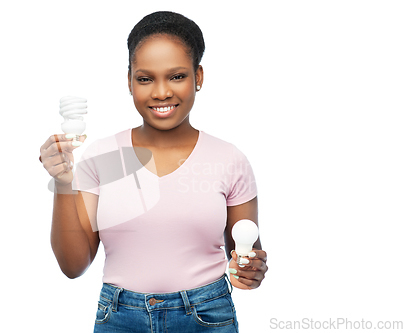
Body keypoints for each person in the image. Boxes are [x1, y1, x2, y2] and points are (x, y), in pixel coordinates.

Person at [40, 11, 268, 332]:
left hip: (206, 316)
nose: (161, 92)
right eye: (145, 79)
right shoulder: (104, 158)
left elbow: (245, 255)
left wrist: (252, 269)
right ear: (129, 80)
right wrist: (63, 182)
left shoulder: (229, 160)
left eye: (176, 76)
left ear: (198, 76)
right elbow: (73, 266)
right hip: (120, 318)